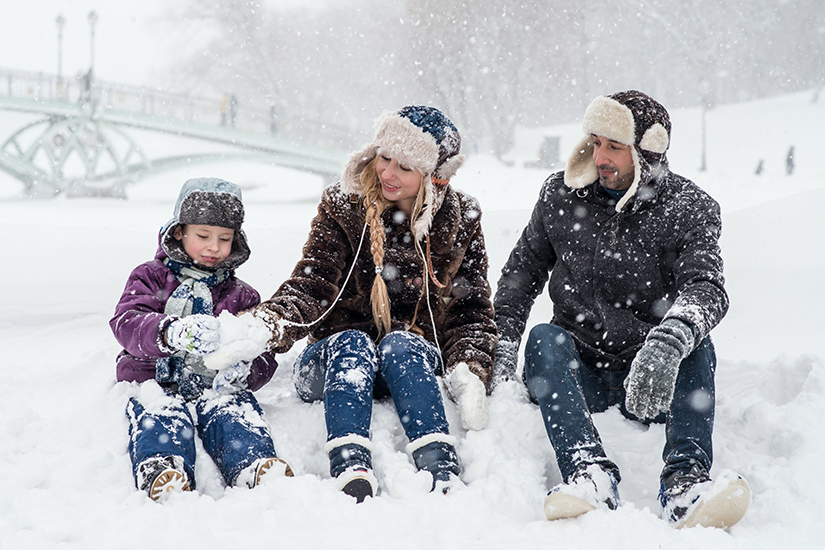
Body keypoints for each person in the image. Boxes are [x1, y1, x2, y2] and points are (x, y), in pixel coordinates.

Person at [493, 90, 750, 529]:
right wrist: (498, 348)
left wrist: (669, 342)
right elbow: (520, 277)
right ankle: (587, 472)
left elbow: (707, 287)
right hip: (578, 373)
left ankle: (685, 484)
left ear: (646, 152)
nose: (600, 157)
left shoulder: (688, 208)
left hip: (651, 379)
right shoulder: (560, 195)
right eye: (595, 142)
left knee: (697, 344)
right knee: (543, 339)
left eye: (614, 146)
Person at [250, 105, 496, 502]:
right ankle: (350, 462)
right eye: (385, 157)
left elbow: (471, 308)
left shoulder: (461, 217)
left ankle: (439, 463)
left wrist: (471, 367)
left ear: (435, 178)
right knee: (353, 343)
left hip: (408, 364)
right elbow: (312, 284)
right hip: (334, 363)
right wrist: (264, 325)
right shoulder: (343, 206)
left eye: (405, 166)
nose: (387, 173)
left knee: (402, 344)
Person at [110, 177, 292, 502]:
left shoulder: (242, 295)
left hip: (214, 386)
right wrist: (170, 332)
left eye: (224, 238)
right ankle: (163, 466)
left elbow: (262, 352)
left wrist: (246, 370)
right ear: (179, 231)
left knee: (234, 412)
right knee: (161, 413)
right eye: (203, 236)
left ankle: (253, 463)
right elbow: (127, 322)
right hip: (154, 380)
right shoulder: (151, 277)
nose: (214, 247)